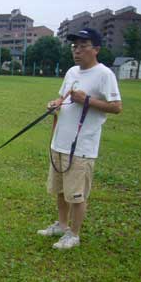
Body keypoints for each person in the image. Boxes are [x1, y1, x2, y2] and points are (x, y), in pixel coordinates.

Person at [37, 28, 122, 250]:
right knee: (61, 190)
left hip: (82, 147)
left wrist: (87, 100)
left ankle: (74, 235)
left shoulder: (104, 74)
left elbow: (116, 107)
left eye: (83, 46)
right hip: (60, 141)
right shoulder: (72, 72)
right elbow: (63, 97)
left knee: (77, 194)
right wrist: (55, 103)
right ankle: (62, 225)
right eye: (75, 46)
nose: (77, 51)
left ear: (96, 49)